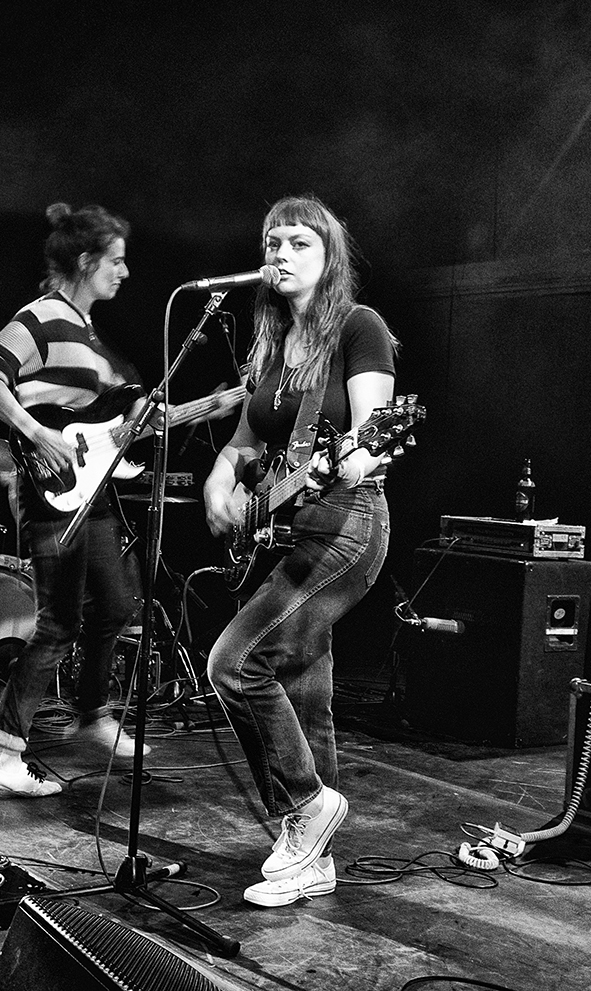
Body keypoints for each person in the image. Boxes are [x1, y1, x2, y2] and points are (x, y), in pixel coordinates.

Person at [203, 194, 397, 907]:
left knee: (236, 663)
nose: (279, 253)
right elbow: (244, 445)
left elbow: (374, 430)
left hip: (348, 524)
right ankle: (312, 858)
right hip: (289, 531)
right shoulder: (271, 345)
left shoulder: (357, 326)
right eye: (271, 241)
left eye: (297, 243)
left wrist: (357, 455)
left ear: (327, 258)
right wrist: (220, 482)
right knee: (299, 691)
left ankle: (307, 806)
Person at [0, 202, 148, 797]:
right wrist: (36, 432)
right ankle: (3, 750)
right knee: (60, 621)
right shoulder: (43, 316)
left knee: (116, 603)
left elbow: (96, 422)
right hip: (50, 491)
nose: (123, 272)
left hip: (89, 491)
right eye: (115, 261)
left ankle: (92, 713)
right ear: (87, 260)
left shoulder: (87, 332)